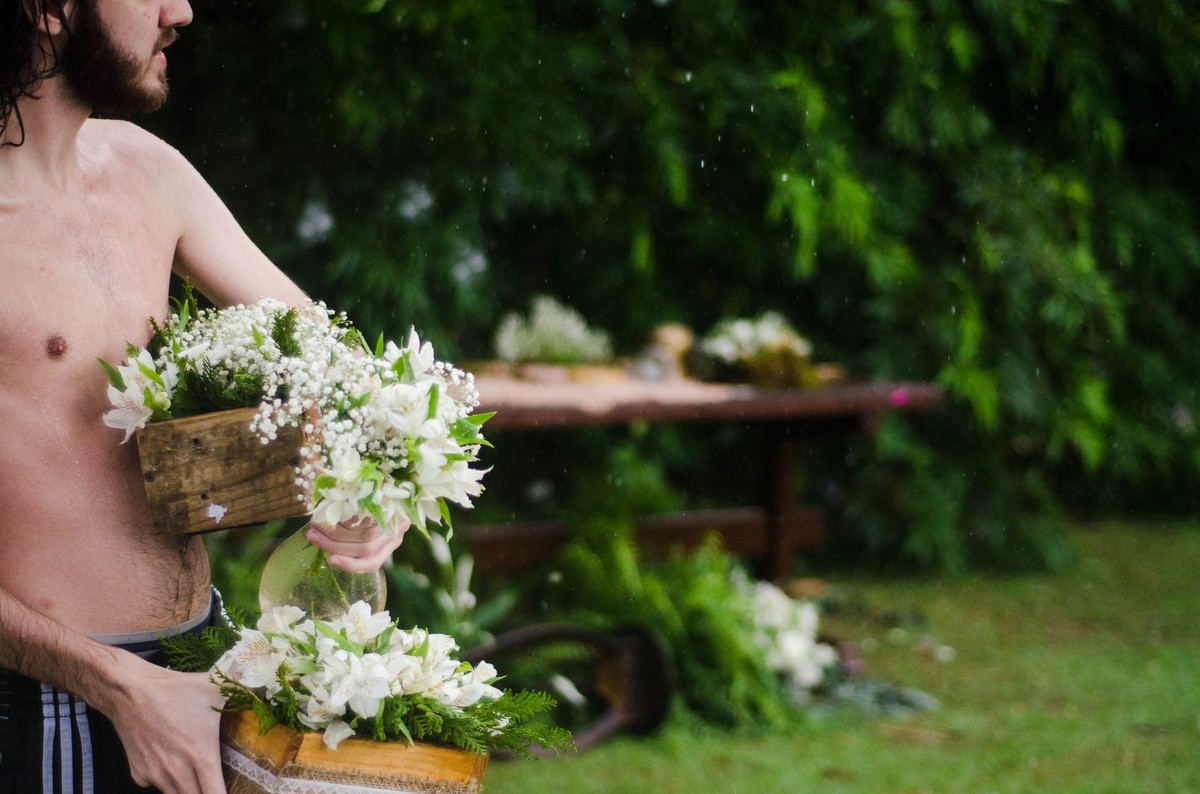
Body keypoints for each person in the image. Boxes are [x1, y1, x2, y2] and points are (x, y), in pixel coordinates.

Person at [0, 0, 409, 791]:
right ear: (48, 9)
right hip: (47, 704)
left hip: (205, 668)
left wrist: (375, 482)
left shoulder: (147, 169)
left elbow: (341, 364)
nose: (180, 10)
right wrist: (120, 688)